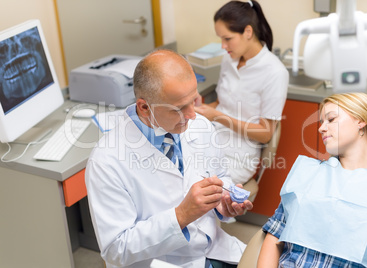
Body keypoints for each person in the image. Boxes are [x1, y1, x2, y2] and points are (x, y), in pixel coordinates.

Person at [85, 49, 253, 268]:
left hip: (215, 249)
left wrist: (224, 200)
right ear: (145, 108)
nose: (193, 114)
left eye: (193, 100)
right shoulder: (106, 161)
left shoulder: (198, 126)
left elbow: (220, 175)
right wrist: (181, 216)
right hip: (163, 263)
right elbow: (116, 250)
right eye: (179, 108)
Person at [257, 92, 367, 267]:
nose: (321, 128)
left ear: (361, 121)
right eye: (321, 122)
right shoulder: (308, 176)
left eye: (331, 119)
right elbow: (274, 235)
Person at [194, 0, 288, 185]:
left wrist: (217, 116)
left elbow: (265, 133)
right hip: (212, 139)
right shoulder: (229, 59)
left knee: (197, 186)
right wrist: (200, 108)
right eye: (220, 39)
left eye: (227, 39)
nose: (223, 46)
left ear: (248, 32)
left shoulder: (274, 72)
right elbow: (222, 105)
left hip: (239, 155)